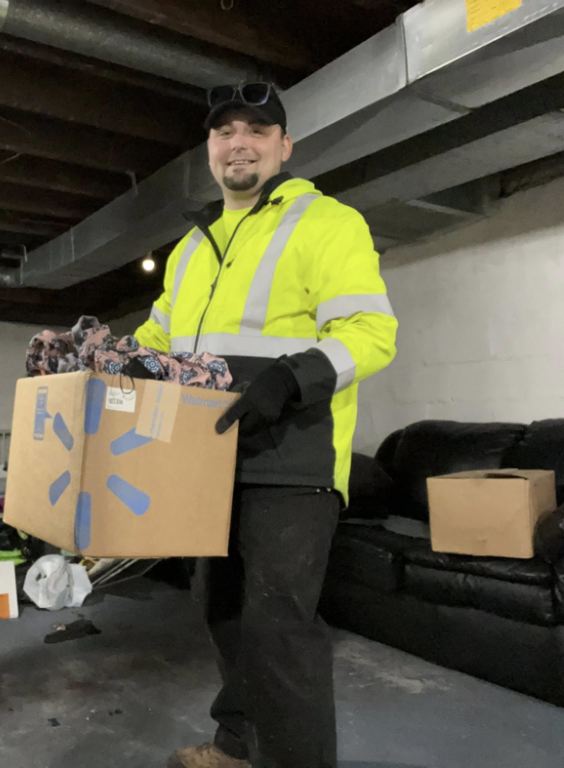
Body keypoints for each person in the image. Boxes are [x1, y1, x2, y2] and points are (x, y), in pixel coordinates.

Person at [134, 82, 398, 768]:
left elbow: (371, 332)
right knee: (222, 611)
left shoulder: (326, 222)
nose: (238, 143)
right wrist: (113, 366)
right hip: (206, 458)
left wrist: (291, 377)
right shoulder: (192, 248)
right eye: (225, 132)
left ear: (284, 146)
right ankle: (240, 743)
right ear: (209, 150)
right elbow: (159, 335)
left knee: (280, 629)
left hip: (294, 459)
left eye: (256, 129)